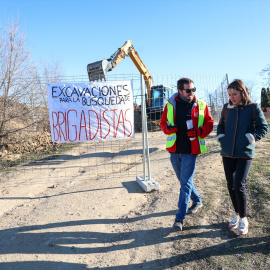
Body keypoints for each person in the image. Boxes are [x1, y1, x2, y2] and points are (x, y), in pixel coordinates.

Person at [160, 77, 214, 231]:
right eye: (188, 90)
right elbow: (163, 123)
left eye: (193, 89)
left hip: (191, 150)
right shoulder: (170, 104)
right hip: (174, 150)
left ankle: (179, 218)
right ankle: (197, 200)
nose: (192, 93)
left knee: (185, 184)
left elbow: (209, 124)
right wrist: (168, 130)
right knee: (184, 181)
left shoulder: (202, 105)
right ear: (180, 91)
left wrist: (198, 131)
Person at [217, 79, 268, 235]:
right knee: (230, 185)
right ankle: (237, 214)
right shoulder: (227, 108)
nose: (232, 97)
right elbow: (221, 125)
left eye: (234, 94)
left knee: (239, 184)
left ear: (242, 92)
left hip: (244, 153)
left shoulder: (253, 108)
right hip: (227, 152)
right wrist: (221, 136)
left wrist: (252, 137)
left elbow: (263, 127)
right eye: (230, 95)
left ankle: (244, 219)